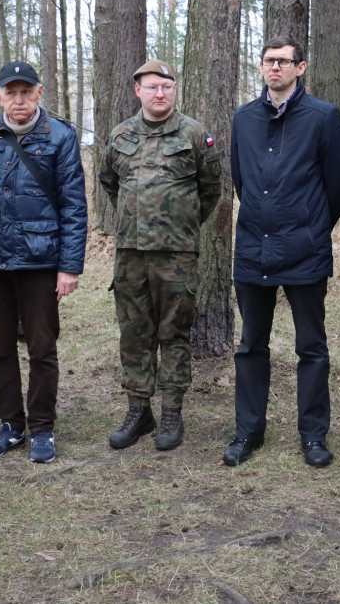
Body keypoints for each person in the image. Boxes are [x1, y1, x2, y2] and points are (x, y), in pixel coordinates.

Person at [0, 61, 87, 463]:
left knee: (42, 347)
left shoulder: (60, 136)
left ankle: (42, 427)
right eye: (12, 93)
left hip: (41, 263)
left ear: (40, 93)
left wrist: (69, 266)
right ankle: (10, 424)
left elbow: (74, 206)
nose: (19, 100)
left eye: (27, 92)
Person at [224, 35, 340, 468]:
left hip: (305, 250)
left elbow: (338, 187)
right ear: (260, 68)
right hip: (253, 249)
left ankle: (313, 435)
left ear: (301, 68)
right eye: (267, 61)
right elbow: (241, 179)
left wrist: (311, 227)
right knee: (250, 346)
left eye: (283, 61)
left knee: (311, 347)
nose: (274, 68)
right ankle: (248, 432)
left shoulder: (323, 117)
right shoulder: (243, 118)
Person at [99, 59, 221, 451]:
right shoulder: (120, 135)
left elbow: (211, 190)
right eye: (152, 87)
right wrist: (138, 220)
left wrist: (179, 223)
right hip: (131, 254)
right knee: (134, 333)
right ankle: (139, 410)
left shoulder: (194, 133)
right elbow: (110, 183)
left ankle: (171, 411)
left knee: (174, 332)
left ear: (174, 90)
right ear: (138, 91)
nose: (160, 94)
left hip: (177, 254)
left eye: (167, 87)